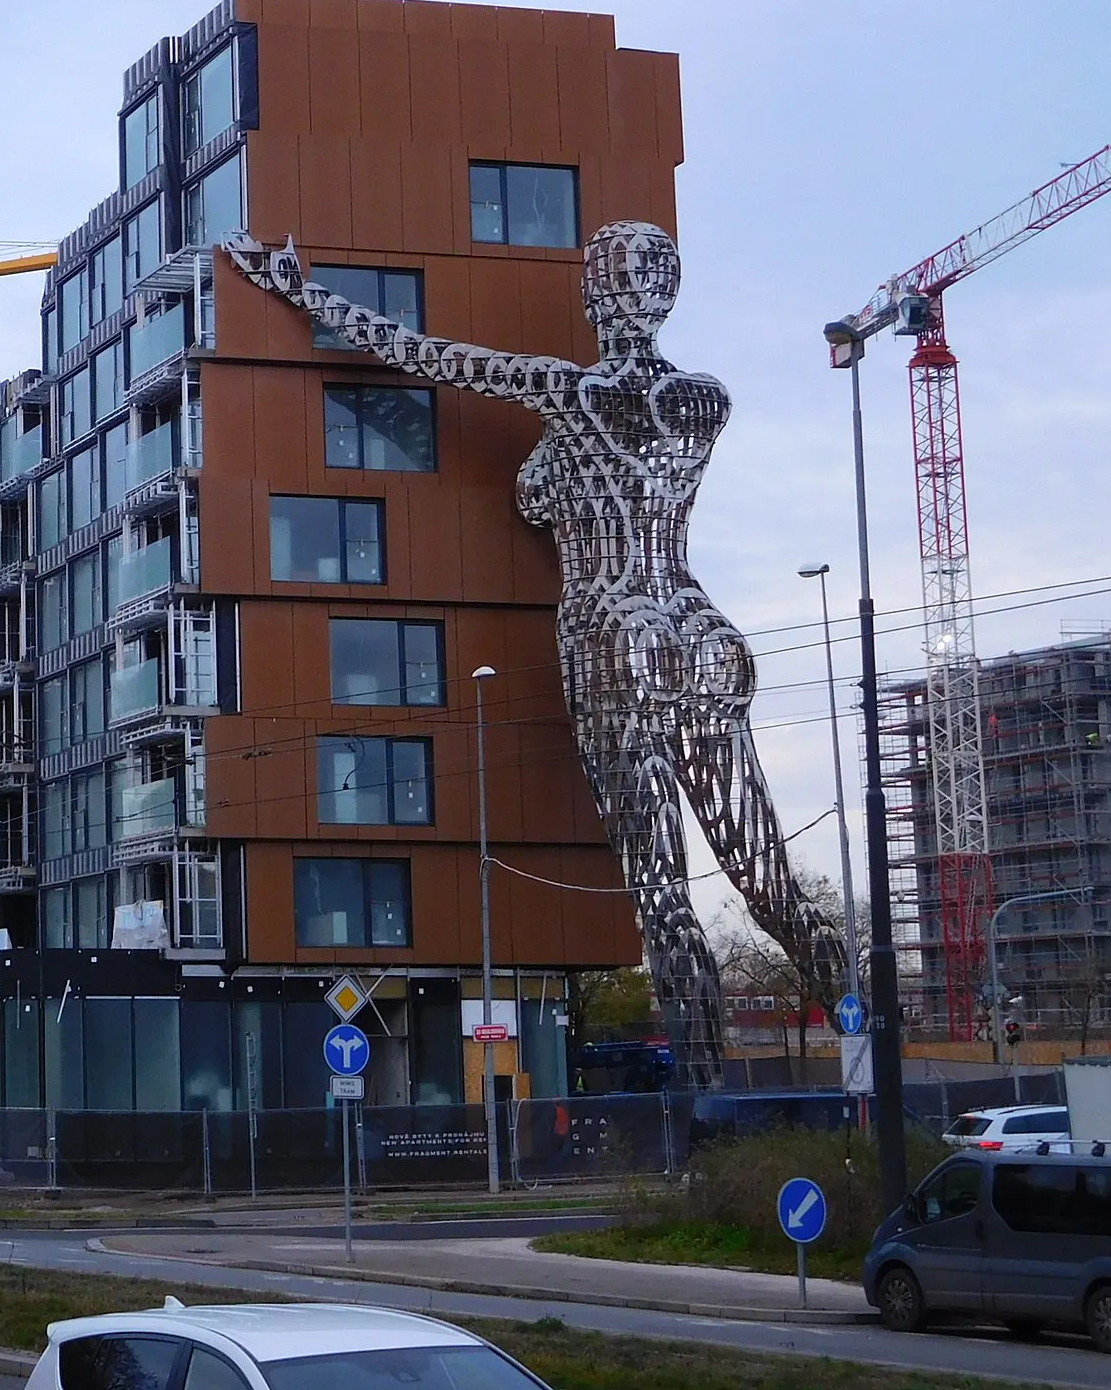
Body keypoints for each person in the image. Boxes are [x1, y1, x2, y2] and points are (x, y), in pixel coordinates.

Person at [225, 224, 847, 1081]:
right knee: (769, 880)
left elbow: (419, 354)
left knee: (664, 895)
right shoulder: (706, 402)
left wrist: (302, 292)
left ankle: (703, 1109)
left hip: (612, 629)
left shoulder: (566, 391)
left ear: (594, 296)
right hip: (696, 624)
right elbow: (570, 479)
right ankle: (872, 1062)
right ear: (668, 295)